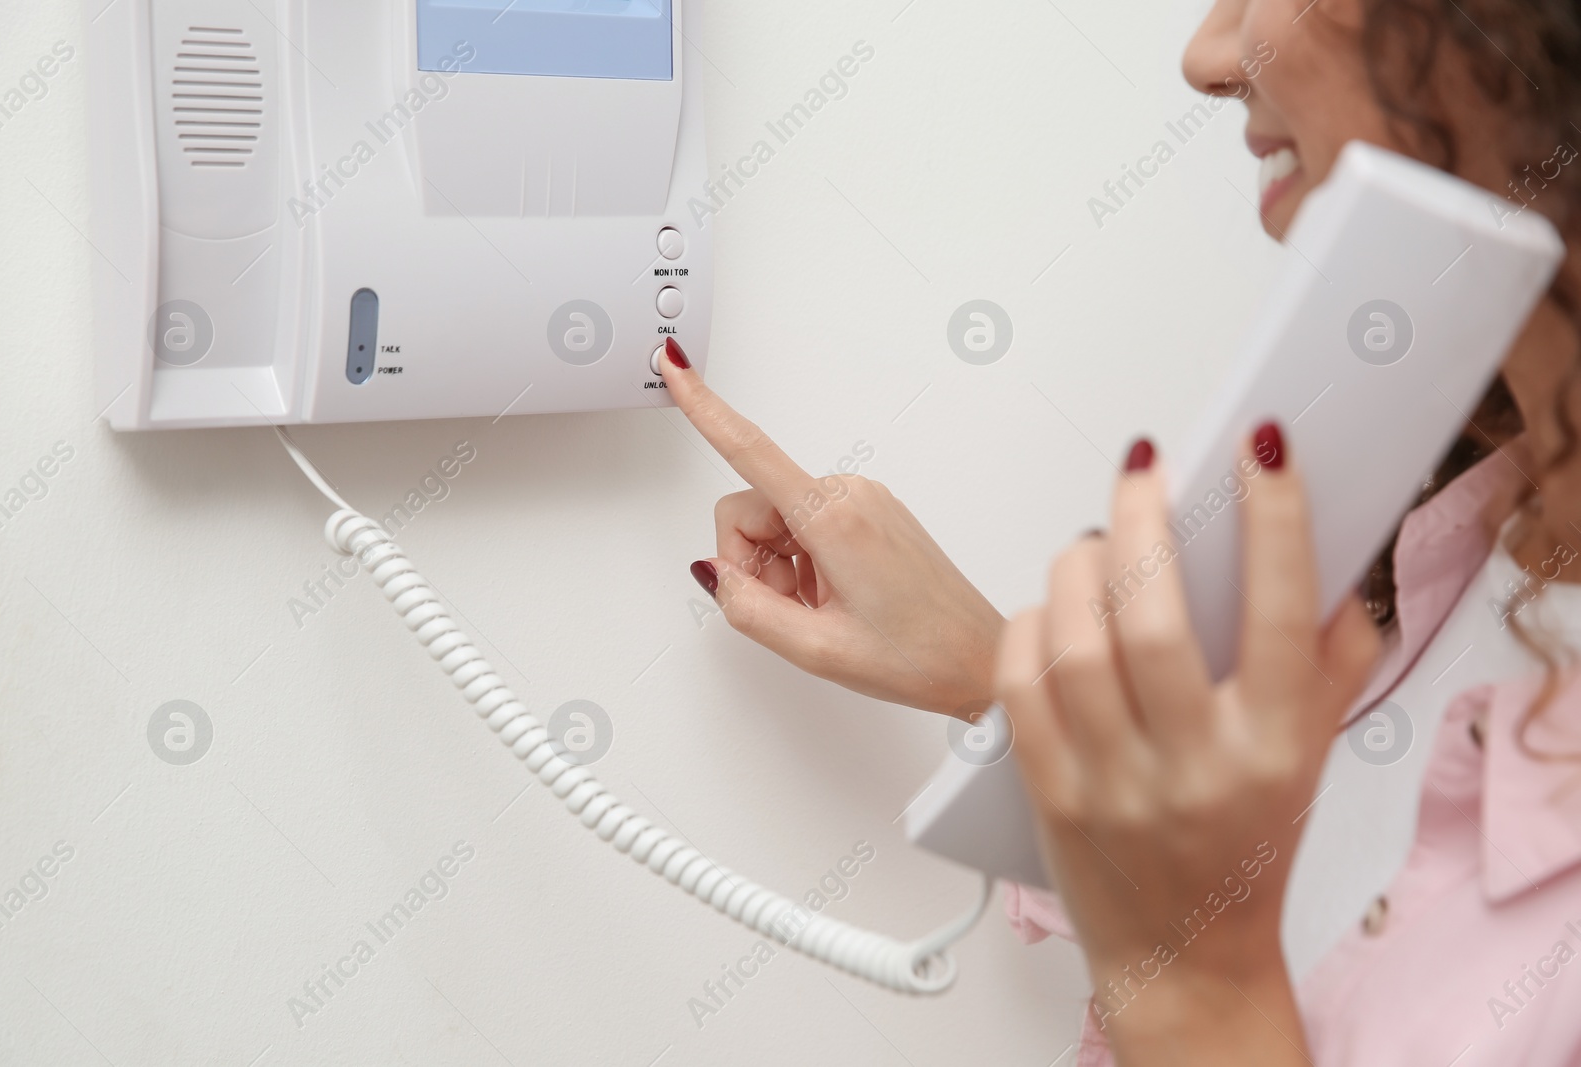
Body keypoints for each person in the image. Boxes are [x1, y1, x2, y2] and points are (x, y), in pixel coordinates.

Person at [655, 0, 1581, 1061]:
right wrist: (1009, 674)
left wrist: (1195, 990)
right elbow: (1331, 867)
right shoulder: (1464, 520)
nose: (1206, 55)